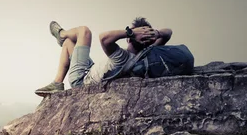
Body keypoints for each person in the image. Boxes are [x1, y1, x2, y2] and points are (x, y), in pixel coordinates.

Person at [35, 17, 172, 96]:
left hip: (81, 79)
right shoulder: (145, 54)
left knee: (84, 31)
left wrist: (131, 32)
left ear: (129, 39)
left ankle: (61, 33)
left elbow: (104, 37)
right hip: (91, 69)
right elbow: (168, 32)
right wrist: (155, 34)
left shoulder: (122, 57)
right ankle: (57, 83)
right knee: (69, 43)